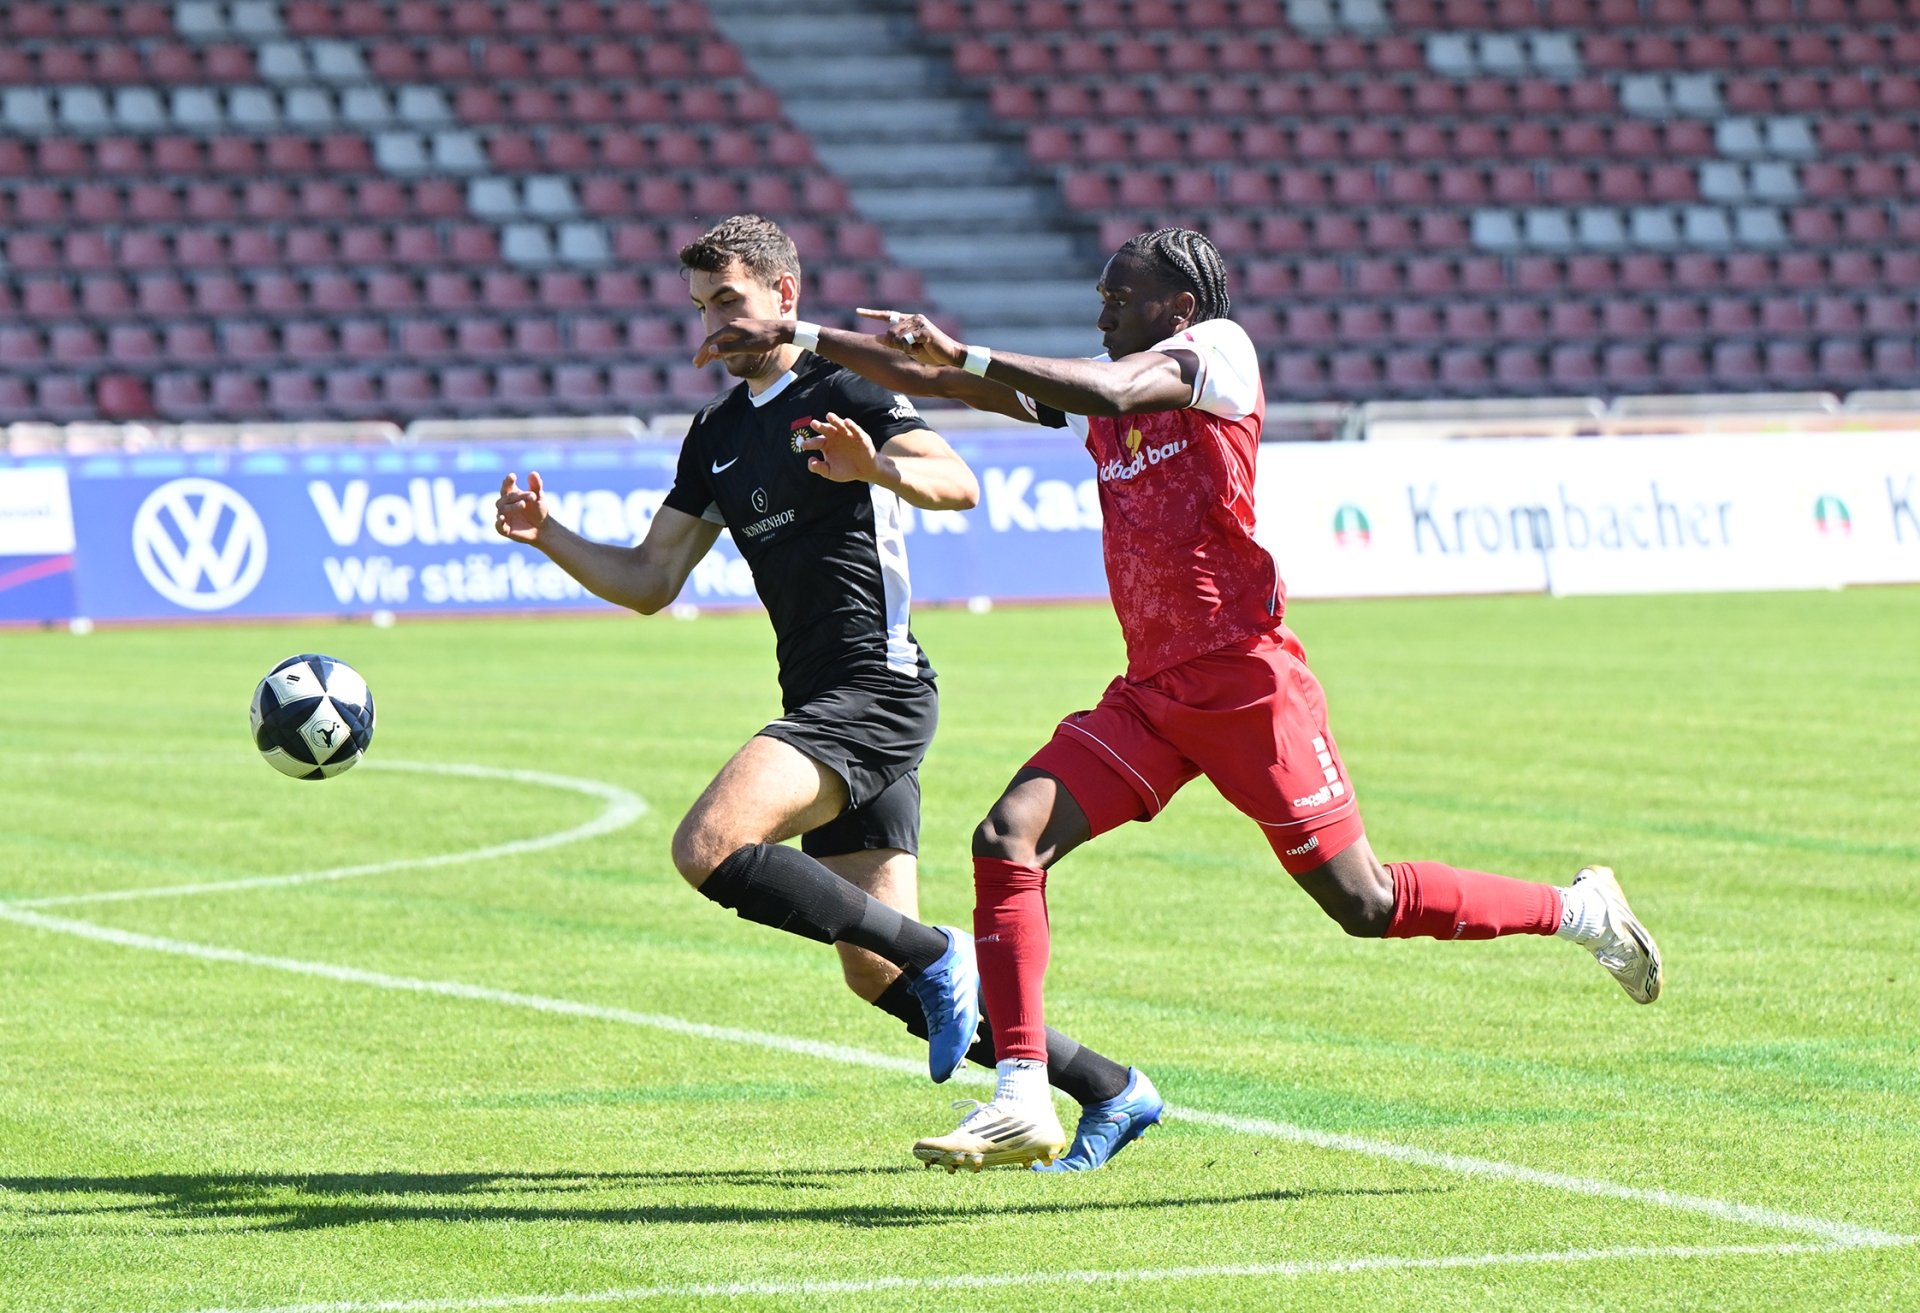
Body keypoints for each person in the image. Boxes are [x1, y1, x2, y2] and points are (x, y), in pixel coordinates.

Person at [696, 226, 1663, 1173]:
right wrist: (807, 336)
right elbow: (949, 382)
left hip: (1248, 687)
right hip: (1153, 694)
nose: (1102, 314)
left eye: (1119, 298)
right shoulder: (1105, 384)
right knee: (1008, 836)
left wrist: (969, 352)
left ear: (1180, 308)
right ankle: (1024, 1093)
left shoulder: (1221, 355)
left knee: (1365, 902)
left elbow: (1109, 387)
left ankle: (1580, 911)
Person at [496, 215, 1149, 1171]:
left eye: (729, 301)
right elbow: (650, 579)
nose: (714, 325)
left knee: (708, 846)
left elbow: (956, 482)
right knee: (874, 969)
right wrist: (549, 533)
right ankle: (1111, 1087)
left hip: (876, 689)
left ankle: (941, 953)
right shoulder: (717, 432)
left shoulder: (843, 386)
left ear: (785, 296)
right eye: (700, 307)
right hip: (825, 699)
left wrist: (873, 466)